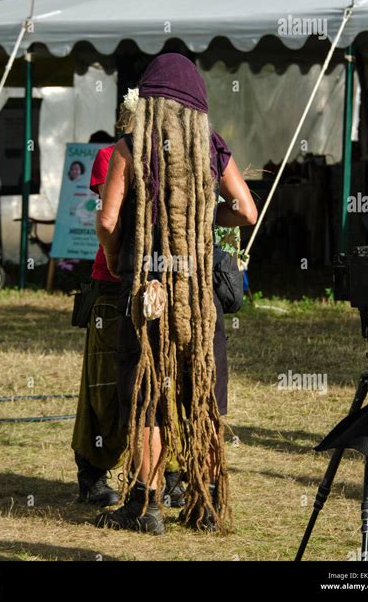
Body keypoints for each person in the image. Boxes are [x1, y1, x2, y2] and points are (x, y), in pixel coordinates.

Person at [95, 53, 257, 535]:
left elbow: (106, 220)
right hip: (197, 294)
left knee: (147, 394)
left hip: (147, 289)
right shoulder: (210, 147)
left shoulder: (130, 146)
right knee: (199, 391)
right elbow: (246, 211)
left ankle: (145, 508)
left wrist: (119, 250)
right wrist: (204, 222)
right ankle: (203, 504)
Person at [71, 115, 186, 508]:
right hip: (113, 286)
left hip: (162, 287)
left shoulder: (181, 158)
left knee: (164, 385)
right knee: (106, 385)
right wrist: (118, 261)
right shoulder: (112, 154)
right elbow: (109, 220)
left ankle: (165, 476)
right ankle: (93, 472)